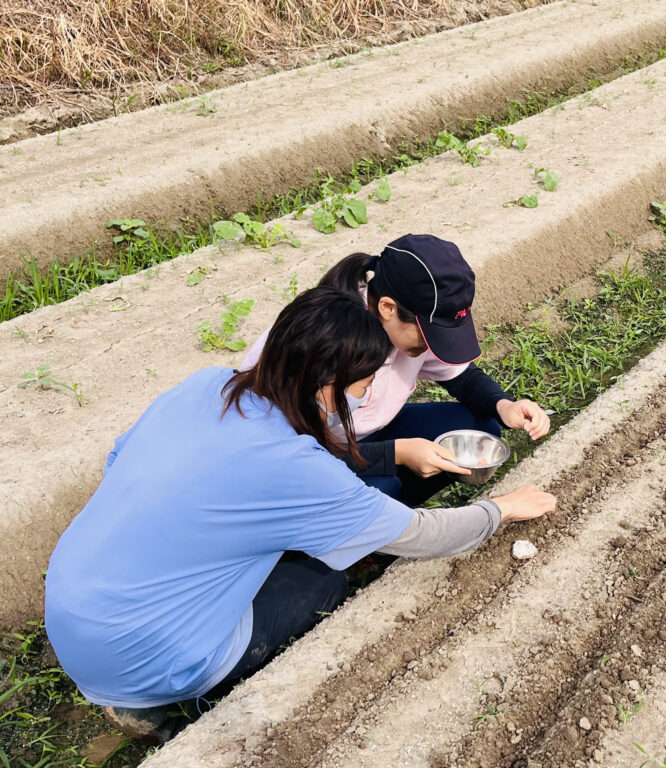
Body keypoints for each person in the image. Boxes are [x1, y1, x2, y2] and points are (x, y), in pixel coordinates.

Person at [44, 288, 556, 744]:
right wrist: (502, 509)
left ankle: (137, 682)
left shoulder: (207, 385)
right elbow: (418, 535)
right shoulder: (296, 467)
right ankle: (170, 698)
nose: (362, 399)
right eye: (360, 387)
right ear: (325, 384)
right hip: (152, 659)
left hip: (69, 608)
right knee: (326, 573)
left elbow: (117, 463)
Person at [241, 233, 551, 507]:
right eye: (430, 335)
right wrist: (396, 454)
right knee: (382, 487)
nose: (433, 347)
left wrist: (504, 404)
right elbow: (289, 458)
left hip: (367, 433)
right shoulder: (324, 341)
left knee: (479, 428)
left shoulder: (400, 324)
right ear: (388, 308)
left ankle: (387, 517)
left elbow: (461, 376)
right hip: (305, 457)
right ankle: (357, 537)